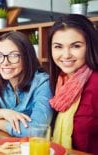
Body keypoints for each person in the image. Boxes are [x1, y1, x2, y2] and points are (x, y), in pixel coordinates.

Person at [48, 14, 98, 153]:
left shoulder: (96, 83)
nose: (66, 55)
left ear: (90, 46)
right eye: (58, 47)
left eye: (75, 46)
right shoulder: (58, 82)